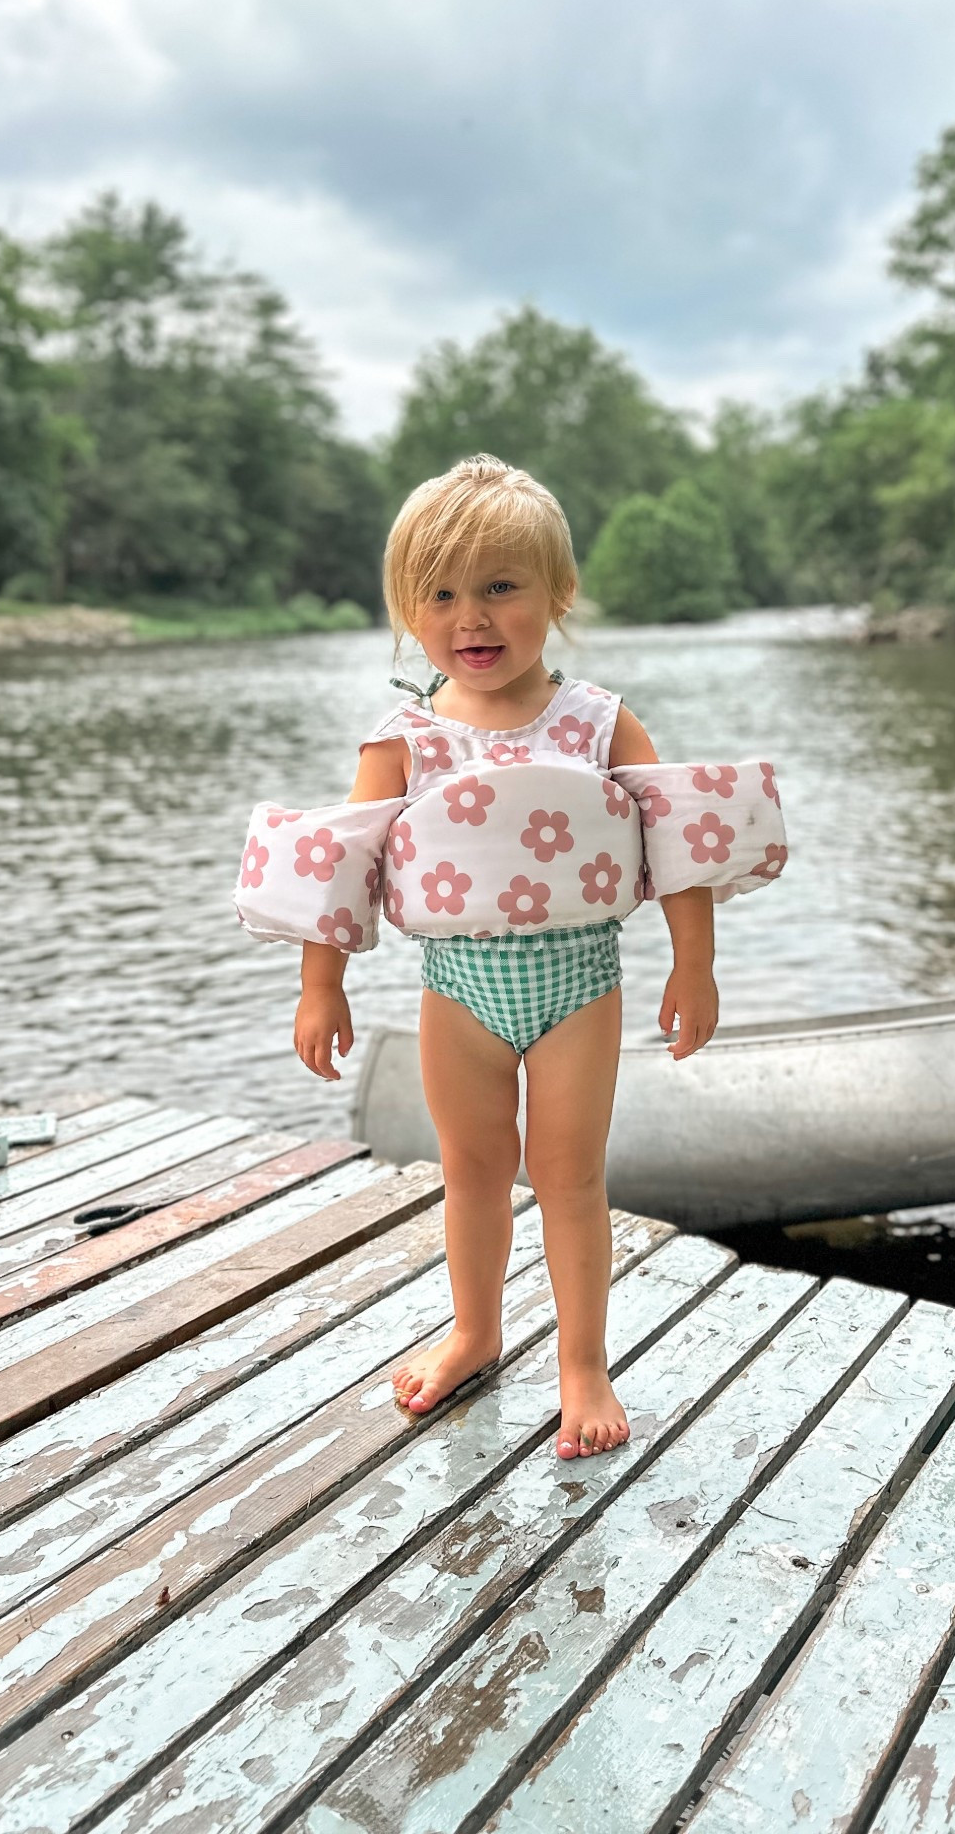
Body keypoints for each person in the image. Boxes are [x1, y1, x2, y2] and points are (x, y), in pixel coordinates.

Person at [234, 454, 787, 1461]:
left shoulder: (597, 719)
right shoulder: (403, 739)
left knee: (568, 1173)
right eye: (438, 594)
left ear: (556, 593)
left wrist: (693, 966)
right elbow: (342, 861)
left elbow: (680, 842)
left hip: (579, 983)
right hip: (460, 991)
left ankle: (583, 1363)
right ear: (409, 607)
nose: (470, 617)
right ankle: (477, 1331)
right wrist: (322, 984)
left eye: (500, 587)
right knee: (473, 1168)